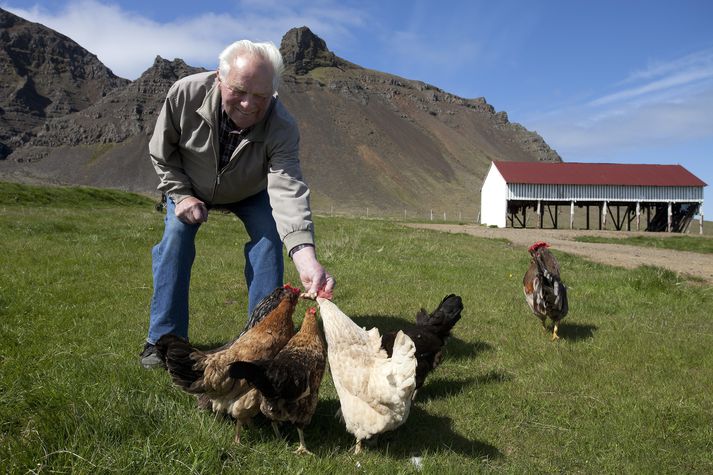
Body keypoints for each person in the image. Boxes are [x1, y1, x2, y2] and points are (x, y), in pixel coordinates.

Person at [140, 40, 335, 368]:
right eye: (240, 91)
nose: (248, 104)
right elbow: (162, 152)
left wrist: (307, 259)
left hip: (250, 192)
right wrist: (182, 195)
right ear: (220, 78)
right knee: (175, 239)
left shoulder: (282, 125)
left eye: (261, 96)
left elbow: (288, 189)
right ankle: (162, 340)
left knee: (269, 239)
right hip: (190, 186)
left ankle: (261, 341)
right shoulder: (185, 94)